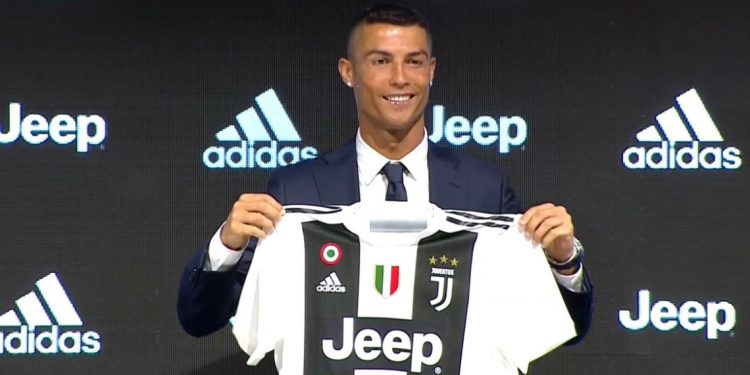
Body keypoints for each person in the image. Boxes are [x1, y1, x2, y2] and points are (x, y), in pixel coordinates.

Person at [178, 3, 593, 345]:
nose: (400, 78)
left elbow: (561, 330)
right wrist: (227, 245)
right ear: (348, 72)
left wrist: (563, 261)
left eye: (414, 62)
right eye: (380, 61)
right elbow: (200, 318)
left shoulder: (483, 190)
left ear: (431, 70)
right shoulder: (296, 189)